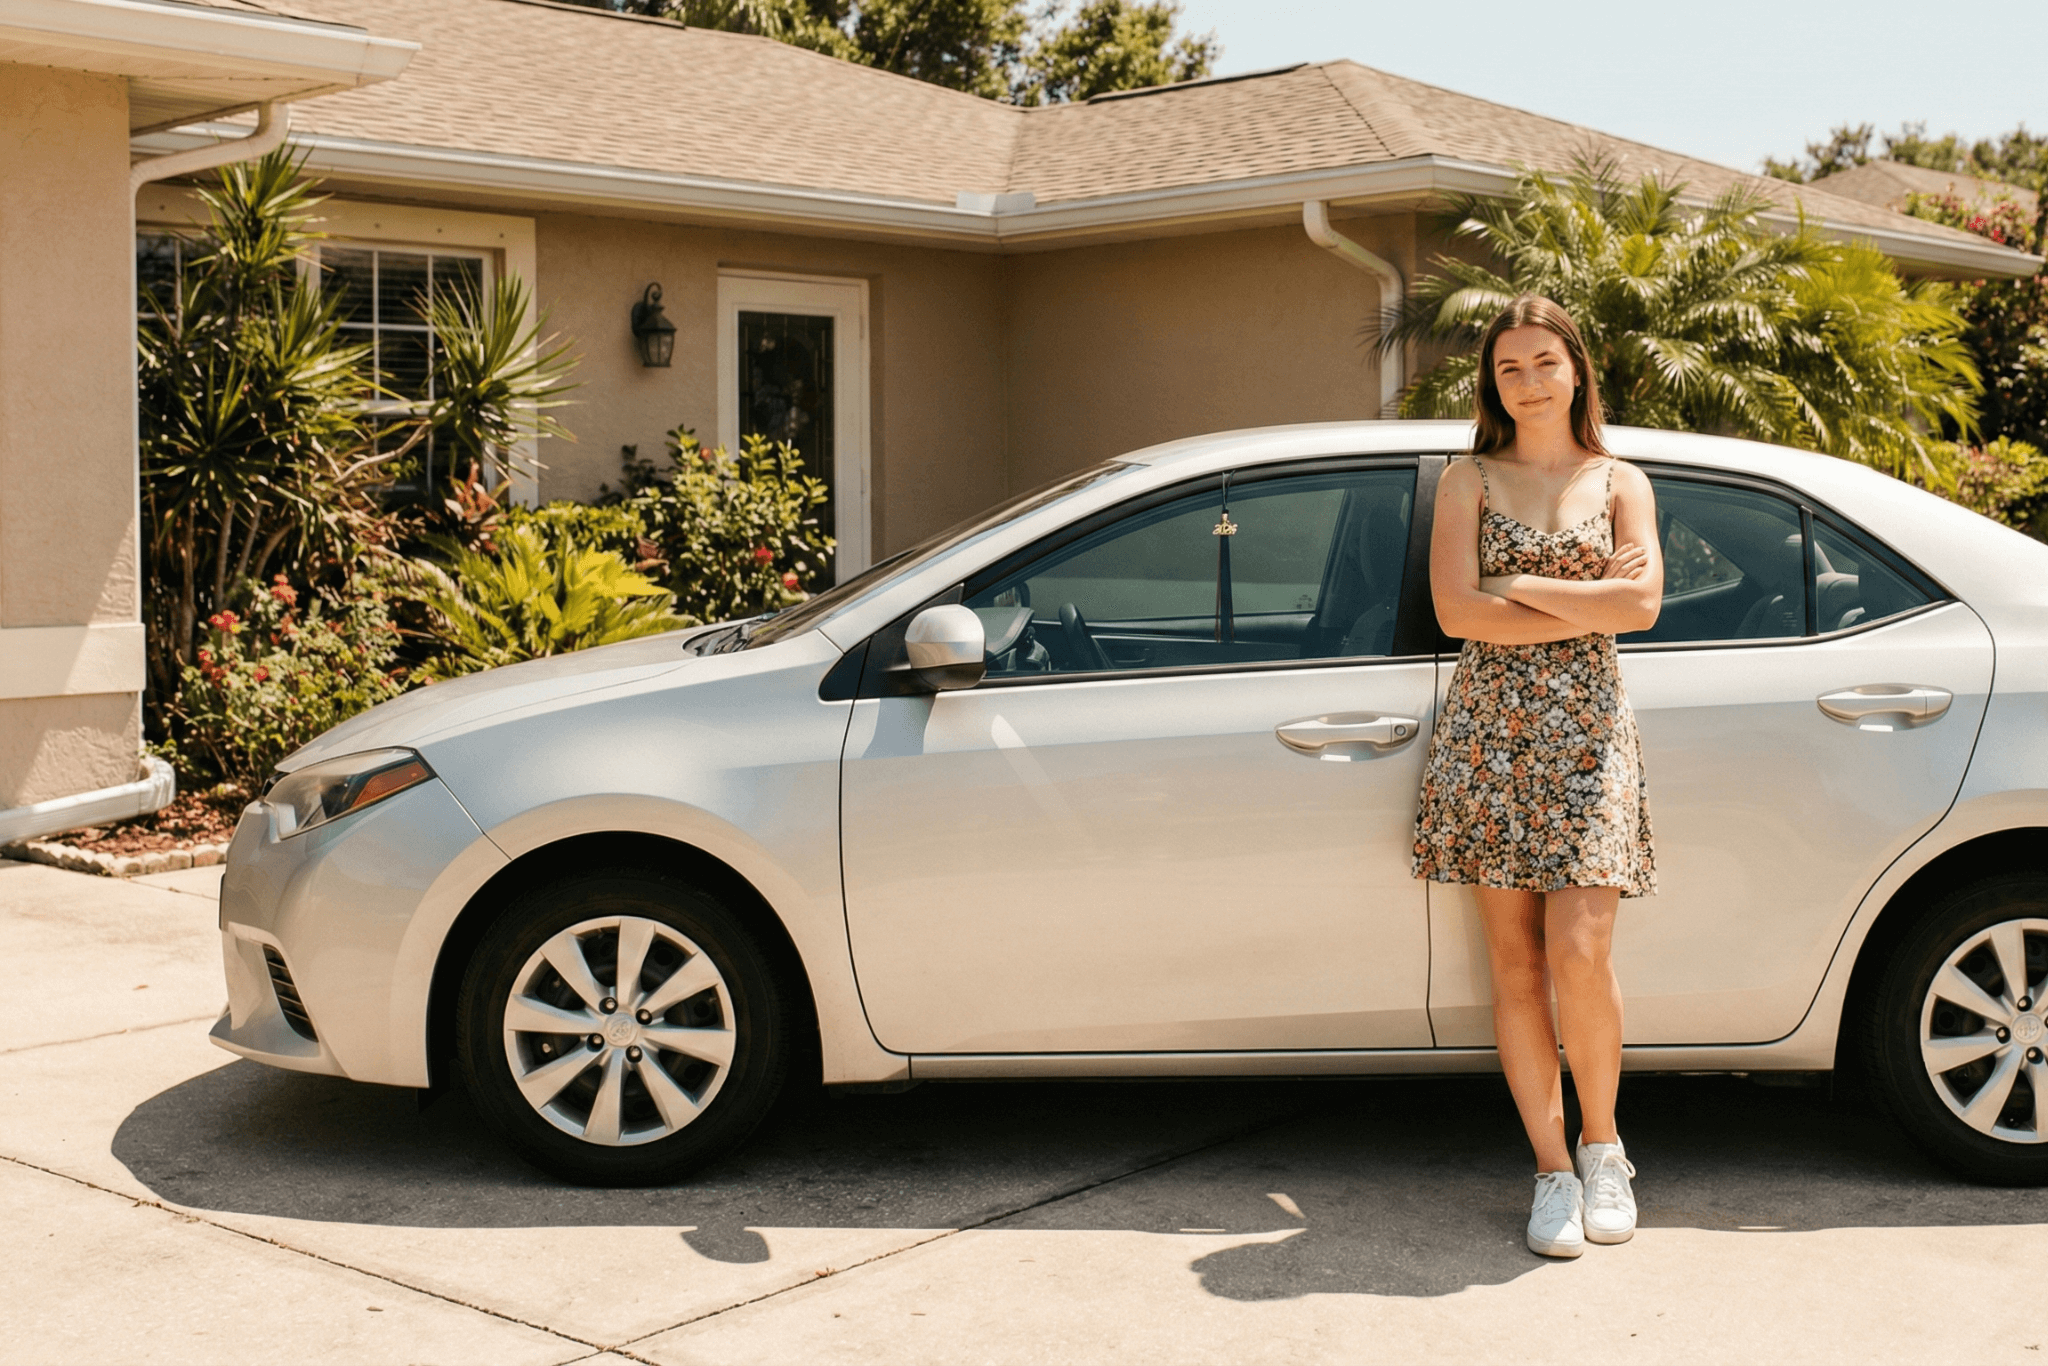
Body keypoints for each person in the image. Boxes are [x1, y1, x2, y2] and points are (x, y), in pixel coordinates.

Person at [1411, 294, 1662, 1258]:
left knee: (1580, 954)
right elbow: (1454, 616)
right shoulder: (1463, 479)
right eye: (1510, 368)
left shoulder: (1620, 480)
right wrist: (1581, 597)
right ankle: (1552, 1170)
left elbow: (1639, 607)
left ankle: (1606, 1151)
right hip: (1491, 739)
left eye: (1545, 364)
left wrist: (1512, 582)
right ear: (1493, 382)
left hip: (1591, 739)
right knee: (1514, 966)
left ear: (1577, 370)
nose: (1528, 382)